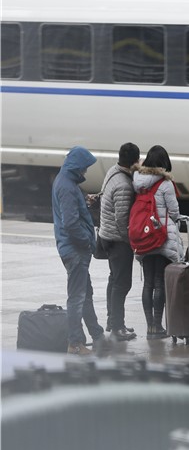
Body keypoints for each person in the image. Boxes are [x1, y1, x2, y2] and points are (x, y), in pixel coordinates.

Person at [52, 146, 104, 355]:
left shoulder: (67, 183)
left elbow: (72, 210)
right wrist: (86, 242)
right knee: (77, 297)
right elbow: (70, 223)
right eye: (84, 168)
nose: (85, 172)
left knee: (86, 294)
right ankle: (75, 343)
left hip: (75, 250)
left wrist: (84, 200)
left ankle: (97, 335)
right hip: (74, 250)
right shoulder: (66, 187)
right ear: (77, 167)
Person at [133, 145, 185, 339]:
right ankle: (157, 326)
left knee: (148, 283)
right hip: (161, 237)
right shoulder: (165, 184)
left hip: (143, 235)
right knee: (159, 282)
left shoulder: (137, 182)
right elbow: (175, 212)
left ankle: (149, 327)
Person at [98, 142, 140, 341]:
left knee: (114, 280)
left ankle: (112, 321)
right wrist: (130, 241)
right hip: (117, 239)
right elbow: (122, 219)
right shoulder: (124, 185)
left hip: (107, 235)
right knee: (122, 284)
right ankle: (117, 326)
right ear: (134, 161)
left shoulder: (112, 171)